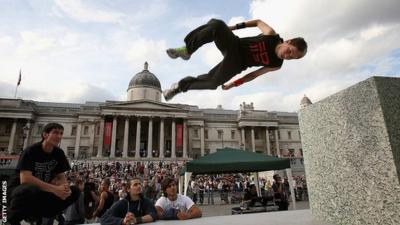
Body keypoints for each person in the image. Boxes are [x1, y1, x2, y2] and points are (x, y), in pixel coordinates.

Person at [163, 18, 308, 101]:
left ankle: (179, 87)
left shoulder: (276, 64)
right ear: (288, 41)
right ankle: (187, 50)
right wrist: (232, 27)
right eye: (289, 51)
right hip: (234, 44)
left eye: (291, 58)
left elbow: (253, 75)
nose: (287, 56)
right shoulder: (271, 35)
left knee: (213, 82)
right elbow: (258, 22)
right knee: (217, 25)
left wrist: (234, 84)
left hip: (237, 64)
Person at [7, 123, 80, 225]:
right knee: (31, 188)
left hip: (41, 192)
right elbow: (25, 179)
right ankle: (11, 221)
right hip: (19, 192)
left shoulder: (59, 153)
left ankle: (47, 213)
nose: (59, 136)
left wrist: (64, 189)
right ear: (45, 135)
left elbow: (61, 178)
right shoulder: (30, 151)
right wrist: (55, 189)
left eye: (61, 133)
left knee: (75, 191)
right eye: (55, 133)